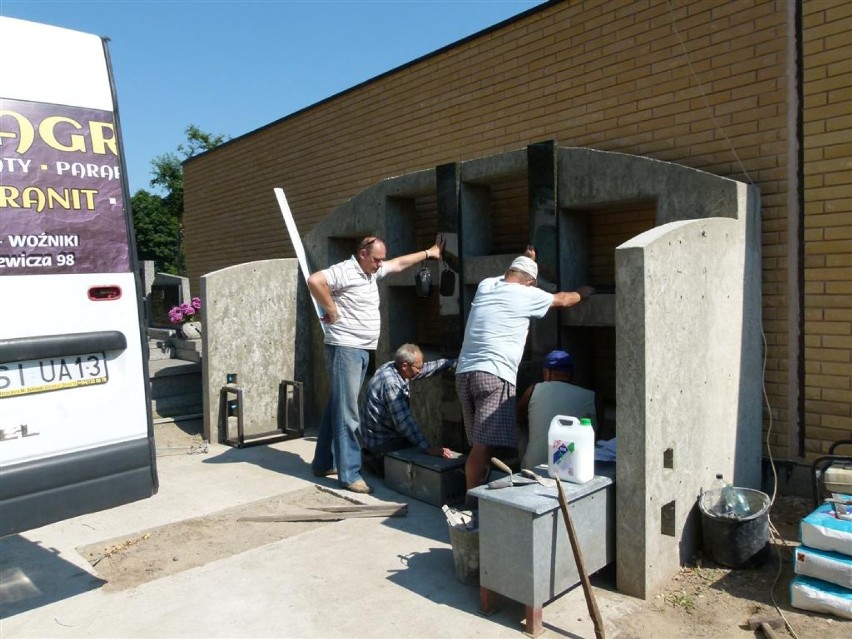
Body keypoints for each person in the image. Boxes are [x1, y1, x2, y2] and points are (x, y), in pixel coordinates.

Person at [308, 234, 444, 494]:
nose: (381, 264)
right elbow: (315, 280)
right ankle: (349, 475)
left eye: (382, 259)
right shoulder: (346, 270)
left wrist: (429, 252)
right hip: (346, 347)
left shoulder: (371, 272)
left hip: (361, 348)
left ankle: (323, 463)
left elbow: (399, 263)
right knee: (348, 412)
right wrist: (332, 310)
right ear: (362, 254)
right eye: (376, 259)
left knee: (338, 404)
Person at [455, 246, 594, 493]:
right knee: (483, 446)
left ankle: (478, 495)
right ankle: (472, 503)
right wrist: (584, 292)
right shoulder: (526, 294)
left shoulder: (486, 285)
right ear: (529, 283)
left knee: (479, 443)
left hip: (465, 373)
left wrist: (527, 261)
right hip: (494, 374)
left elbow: (510, 276)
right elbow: (563, 300)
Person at [360, 343, 456, 477]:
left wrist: (452, 363)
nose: (419, 371)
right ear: (405, 365)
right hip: (380, 448)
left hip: (379, 440)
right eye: (418, 367)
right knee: (425, 464)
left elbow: (425, 369)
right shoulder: (391, 383)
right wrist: (428, 448)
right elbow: (404, 422)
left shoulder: (394, 367)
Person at [516, 349, 597, 469]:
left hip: (535, 467)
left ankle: (524, 462)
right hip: (575, 467)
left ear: (547, 372)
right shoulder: (593, 396)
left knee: (520, 427)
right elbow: (598, 433)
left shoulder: (533, 390)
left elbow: (519, 417)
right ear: (572, 374)